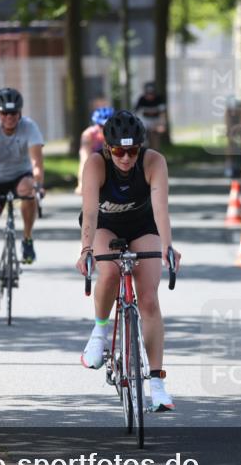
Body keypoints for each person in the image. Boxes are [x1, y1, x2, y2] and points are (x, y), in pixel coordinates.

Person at [77, 110, 181, 412]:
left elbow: (161, 208)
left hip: (142, 225)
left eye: (132, 150)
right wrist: (86, 250)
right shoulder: (96, 164)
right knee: (108, 270)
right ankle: (99, 332)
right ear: (108, 149)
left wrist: (168, 246)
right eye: (119, 151)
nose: (126, 158)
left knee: (148, 299)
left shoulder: (153, 162)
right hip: (104, 225)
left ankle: (158, 384)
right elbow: (91, 212)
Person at [0, 88, 45, 310]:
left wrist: (38, 184)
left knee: (28, 188)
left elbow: (36, 164)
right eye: (4, 113)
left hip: (20, 176)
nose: (9, 118)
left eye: (14, 114)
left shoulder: (29, 127)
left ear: (20, 113)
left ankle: (26, 239)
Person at [76, 106, 113, 195]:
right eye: (100, 125)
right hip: (95, 163)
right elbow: (84, 160)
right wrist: (81, 183)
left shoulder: (115, 134)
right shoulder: (88, 135)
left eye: (107, 126)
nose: (103, 129)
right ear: (95, 124)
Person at [133, 81, 167, 151]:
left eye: (152, 94)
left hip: (156, 121)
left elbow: (162, 113)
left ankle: (155, 154)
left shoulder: (159, 99)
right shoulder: (141, 99)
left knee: (155, 140)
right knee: (143, 139)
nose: (150, 96)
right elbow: (135, 114)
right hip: (145, 122)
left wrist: (162, 124)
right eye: (148, 94)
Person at [224, 95, 241, 178]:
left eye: (235, 110)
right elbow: (229, 130)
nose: (233, 112)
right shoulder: (228, 114)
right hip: (233, 130)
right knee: (230, 145)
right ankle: (229, 165)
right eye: (231, 110)